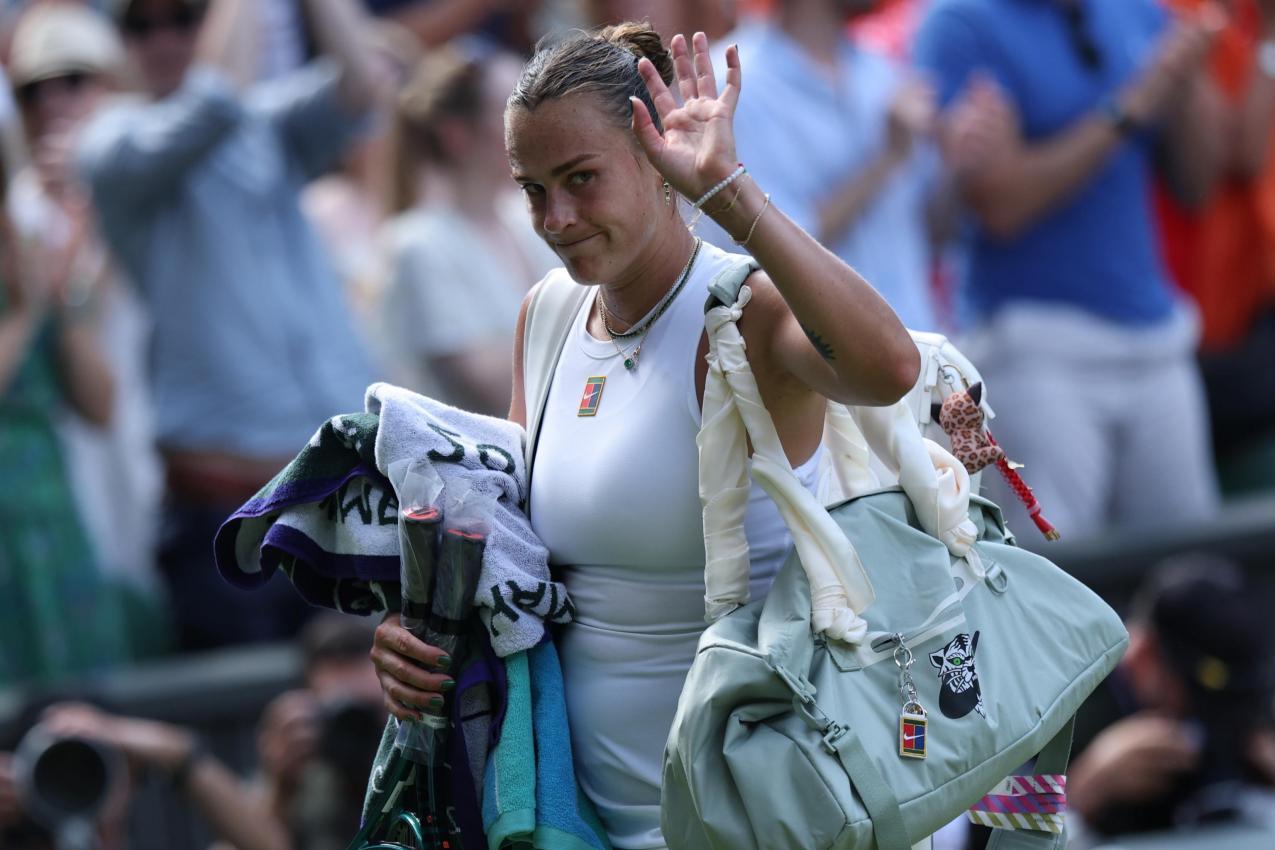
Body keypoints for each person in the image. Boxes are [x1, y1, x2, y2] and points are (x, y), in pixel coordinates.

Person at [369, 22, 920, 849]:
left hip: (765, 817)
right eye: (532, 188)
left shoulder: (744, 311)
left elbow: (889, 369)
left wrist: (728, 189)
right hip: (585, 818)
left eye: (580, 178)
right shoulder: (545, 313)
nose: (554, 217)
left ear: (654, 156)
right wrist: (414, 640)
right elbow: (519, 557)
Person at [76, 0, 383, 651]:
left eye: (183, 16)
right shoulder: (110, 142)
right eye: (140, 23)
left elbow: (365, 84)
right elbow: (208, 106)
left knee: (376, 724)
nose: (162, 38)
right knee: (247, 727)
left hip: (333, 508)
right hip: (224, 516)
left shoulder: (261, 123)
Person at [914, 0, 1225, 537]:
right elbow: (1001, 207)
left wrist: (1187, 83)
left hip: (1157, 342)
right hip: (1033, 350)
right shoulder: (960, 23)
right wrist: (1130, 106)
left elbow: (1199, 187)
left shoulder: (1141, 13)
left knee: (1193, 575)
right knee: (1062, 576)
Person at [7, 1, 169, 659]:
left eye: (74, 78)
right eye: (32, 89)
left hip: (157, 427)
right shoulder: (16, 214)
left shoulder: (155, 178)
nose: (54, 100)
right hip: (62, 463)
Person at [702, 0, 945, 332]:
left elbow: (935, 230)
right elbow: (768, 250)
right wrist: (885, 161)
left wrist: (966, 161)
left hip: (922, 348)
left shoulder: (881, 72)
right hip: (827, 368)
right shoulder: (733, 84)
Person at [0, 103, 130, 685]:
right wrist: (28, 310)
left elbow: (100, 407)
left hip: (49, 510)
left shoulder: (26, 248)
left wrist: (69, 299)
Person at [374, 43, 558, 416]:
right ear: (456, 134)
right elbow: (491, 386)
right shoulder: (417, 245)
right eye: (513, 111)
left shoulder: (523, 218)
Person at [1066, 555, 1275, 846]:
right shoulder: (1062, 705)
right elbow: (989, 824)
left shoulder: (1250, 713)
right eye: (1197, 698)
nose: (1209, 720)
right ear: (1143, 657)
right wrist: (1081, 791)